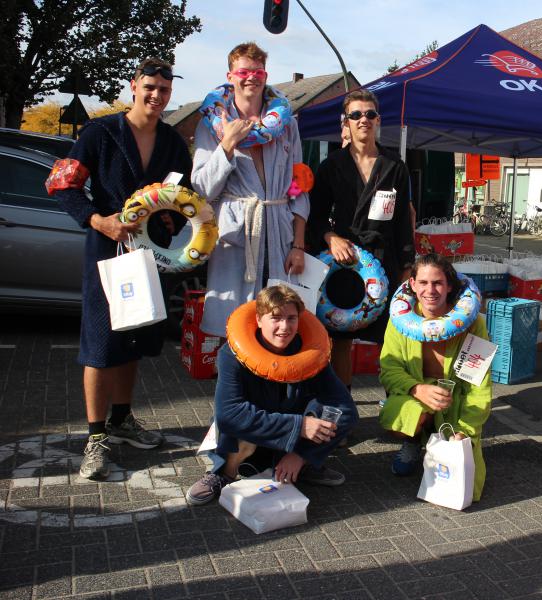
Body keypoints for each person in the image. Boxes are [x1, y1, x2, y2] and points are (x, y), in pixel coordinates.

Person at [50, 58, 193, 480]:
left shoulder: (171, 140)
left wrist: (174, 222)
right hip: (107, 250)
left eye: (164, 91)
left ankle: (122, 419)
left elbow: (183, 198)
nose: (156, 96)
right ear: (134, 86)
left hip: (151, 254)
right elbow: (62, 183)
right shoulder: (101, 132)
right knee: (100, 344)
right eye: (149, 87)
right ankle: (95, 439)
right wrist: (98, 220)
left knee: (135, 339)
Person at [186, 285, 357, 505]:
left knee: (331, 414)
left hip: (293, 444)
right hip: (249, 441)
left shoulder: (311, 353)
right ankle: (223, 473)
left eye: (291, 318)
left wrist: (302, 454)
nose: (284, 327)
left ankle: (304, 466)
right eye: (275, 318)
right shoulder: (231, 355)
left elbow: (346, 410)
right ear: (258, 320)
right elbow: (228, 414)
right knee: (232, 421)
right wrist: (299, 425)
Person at [192, 42, 310, 337]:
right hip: (237, 236)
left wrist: (298, 245)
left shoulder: (287, 126)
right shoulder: (210, 126)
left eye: (258, 72)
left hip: (279, 234)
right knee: (235, 328)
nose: (251, 78)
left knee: (280, 326)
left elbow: (299, 188)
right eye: (243, 71)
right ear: (230, 76)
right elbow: (203, 187)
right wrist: (227, 145)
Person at [308, 89, 415, 388]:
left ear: (378, 119)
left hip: (385, 259)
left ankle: (400, 407)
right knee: (341, 339)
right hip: (344, 261)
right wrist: (331, 238)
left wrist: (407, 270)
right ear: (346, 122)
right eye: (355, 115)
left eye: (369, 114)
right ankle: (342, 411)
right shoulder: (331, 166)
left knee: (391, 338)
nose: (363, 119)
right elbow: (314, 217)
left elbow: (404, 224)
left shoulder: (395, 166)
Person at [378, 254, 492, 499]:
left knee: (468, 490)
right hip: (417, 397)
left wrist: (466, 429)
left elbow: (479, 384)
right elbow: (389, 369)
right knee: (404, 416)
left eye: (438, 283)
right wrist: (417, 389)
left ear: (449, 285)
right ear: (413, 285)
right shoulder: (401, 320)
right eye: (424, 283)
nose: (430, 290)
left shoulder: (474, 323)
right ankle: (413, 440)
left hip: (455, 405)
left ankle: (446, 436)